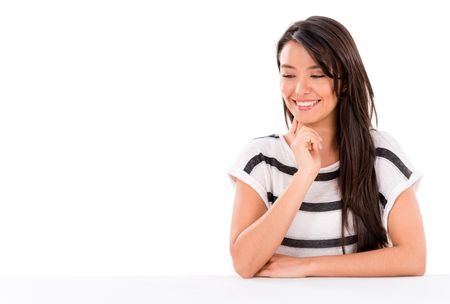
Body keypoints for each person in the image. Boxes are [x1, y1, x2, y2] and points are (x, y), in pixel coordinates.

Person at [227, 16, 426, 279]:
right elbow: (244, 263)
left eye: (317, 74)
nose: (300, 89)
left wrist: (308, 266)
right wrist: (304, 176)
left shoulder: (379, 153)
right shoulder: (261, 158)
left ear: (343, 80)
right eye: (288, 74)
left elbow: (414, 258)